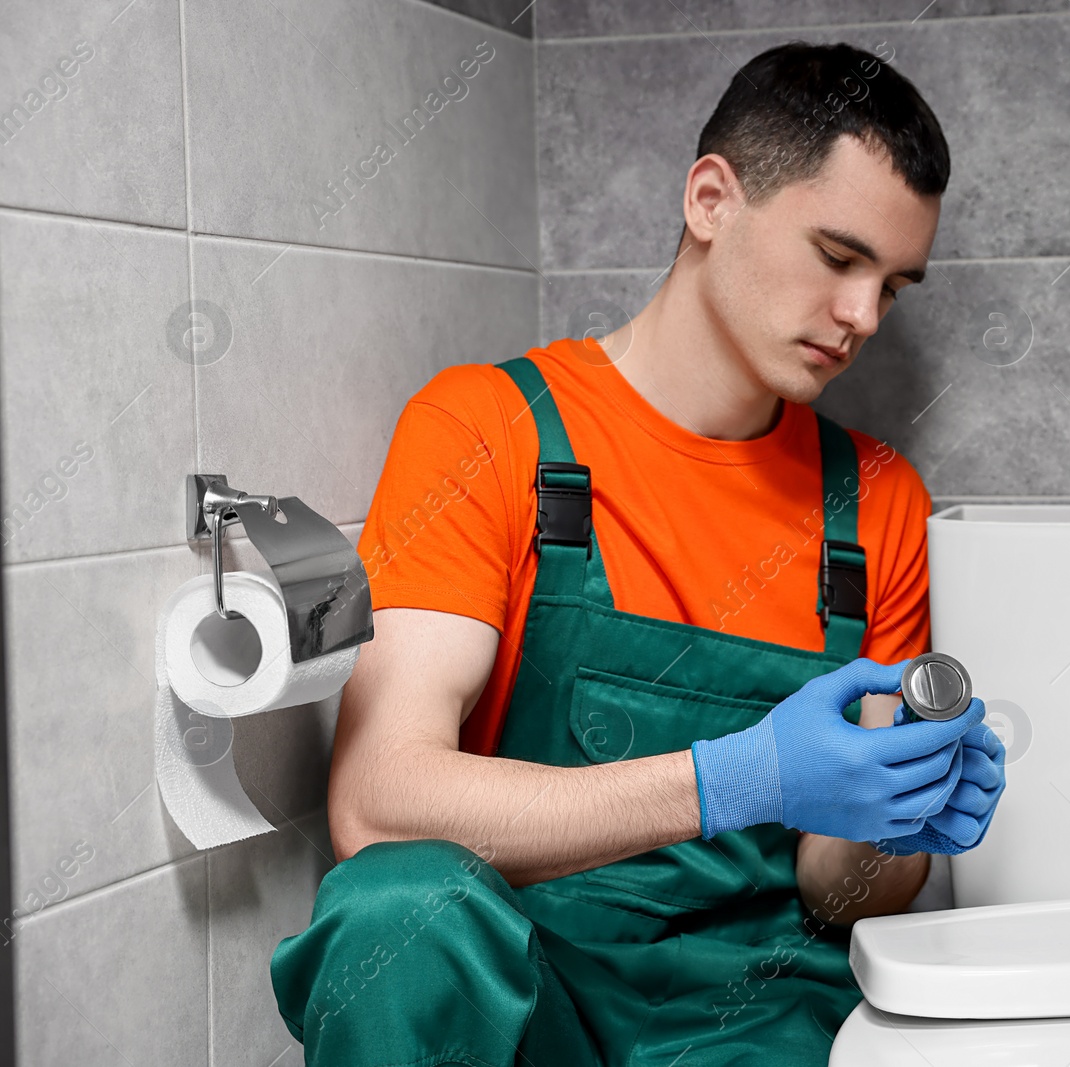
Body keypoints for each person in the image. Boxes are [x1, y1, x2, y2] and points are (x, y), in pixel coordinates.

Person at [269, 40, 1007, 1067]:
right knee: (391, 910)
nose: (862, 316)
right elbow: (375, 802)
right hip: (530, 993)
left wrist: (898, 819)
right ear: (711, 200)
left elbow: (838, 891)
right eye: (839, 258)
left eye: (894, 284)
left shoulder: (876, 501)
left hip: (760, 1015)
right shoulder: (491, 430)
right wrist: (737, 778)